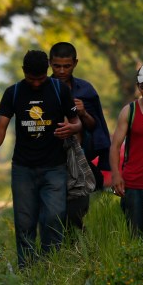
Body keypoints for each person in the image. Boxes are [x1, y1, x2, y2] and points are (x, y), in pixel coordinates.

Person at [0, 49, 82, 268]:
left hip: (55, 167)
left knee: (53, 219)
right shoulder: (14, 92)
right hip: (23, 168)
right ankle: (28, 271)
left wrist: (71, 128)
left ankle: (52, 267)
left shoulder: (59, 90)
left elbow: (78, 122)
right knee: (24, 222)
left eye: (40, 78)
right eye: (31, 79)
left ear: (47, 71)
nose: (36, 83)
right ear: (23, 72)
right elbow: (1, 126)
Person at [49, 42, 110, 234]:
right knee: (52, 214)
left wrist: (83, 113)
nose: (61, 70)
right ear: (50, 63)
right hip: (50, 161)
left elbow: (95, 126)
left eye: (66, 66)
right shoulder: (42, 88)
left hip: (80, 161)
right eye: (57, 66)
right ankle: (52, 255)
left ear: (75, 63)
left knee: (76, 213)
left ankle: (77, 253)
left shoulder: (85, 90)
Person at [109, 62, 143, 237]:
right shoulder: (129, 111)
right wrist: (116, 175)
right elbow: (115, 145)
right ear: (138, 86)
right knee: (135, 238)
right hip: (132, 186)